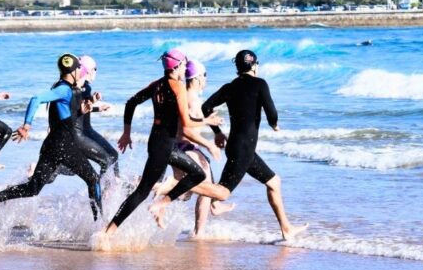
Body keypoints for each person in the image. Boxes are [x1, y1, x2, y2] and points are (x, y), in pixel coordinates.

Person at [152, 50, 308, 241]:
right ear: (255, 66)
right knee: (222, 192)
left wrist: (218, 133)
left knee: (274, 182)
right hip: (244, 149)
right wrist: (275, 124)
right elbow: (272, 113)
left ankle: (286, 228)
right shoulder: (260, 84)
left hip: (237, 146)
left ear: (238, 67)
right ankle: (173, 188)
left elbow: (206, 108)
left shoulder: (229, 87)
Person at [100, 49, 222, 237]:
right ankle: (111, 230)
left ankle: (158, 204)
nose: (184, 69)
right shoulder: (178, 87)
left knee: (195, 174)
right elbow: (188, 122)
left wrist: (127, 133)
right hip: (164, 146)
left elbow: (131, 103)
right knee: (142, 192)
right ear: (179, 66)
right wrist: (208, 121)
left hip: (159, 142)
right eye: (184, 64)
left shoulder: (157, 85)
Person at [0, 53, 103, 223]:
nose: (81, 72)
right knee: (93, 179)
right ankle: (100, 224)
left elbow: (65, 118)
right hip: (63, 145)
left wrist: (85, 110)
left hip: (53, 145)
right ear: (73, 71)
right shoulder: (64, 89)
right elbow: (36, 99)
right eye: (79, 68)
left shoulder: (65, 88)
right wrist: (26, 125)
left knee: (33, 187)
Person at [152, 59, 235, 237]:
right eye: (205, 76)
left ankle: (209, 209)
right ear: (197, 78)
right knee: (196, 187)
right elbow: (186, 130)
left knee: (196, 187)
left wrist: (213, 129)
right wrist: (209, 144)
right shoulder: (190, 100)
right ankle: (198, 230)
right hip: (184, 147)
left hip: (182, 147)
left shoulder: (190, 98)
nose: (206, 80)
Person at [75, 55, 119, 177]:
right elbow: (80, 108)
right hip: (82, 132)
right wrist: (93, 101)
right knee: (110, 157)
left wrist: (97, 108)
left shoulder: (82, 86)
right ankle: (108, 188)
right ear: (89, 70)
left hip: (85, 130)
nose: (96, 72)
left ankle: (112, 185)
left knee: (112, 156)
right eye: (95, 69)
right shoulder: (83, 87)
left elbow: (80, 108)